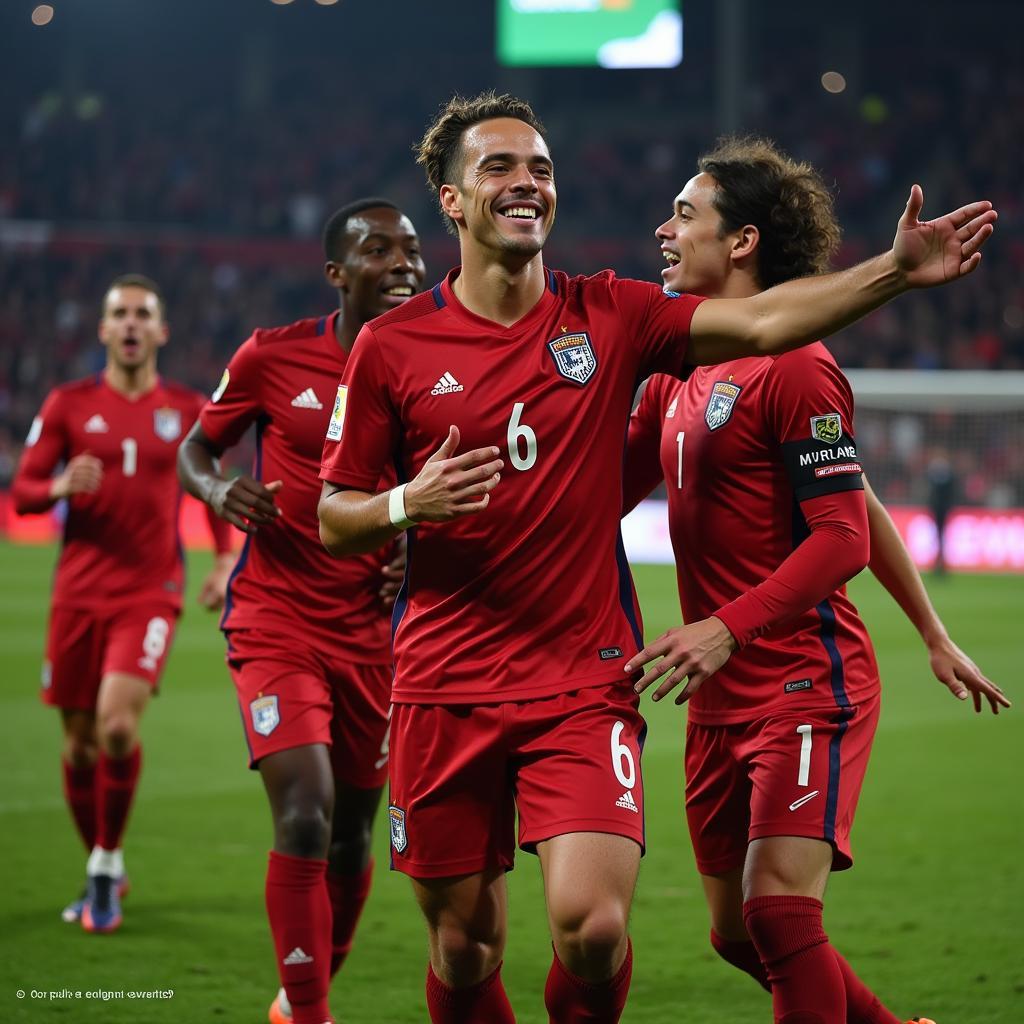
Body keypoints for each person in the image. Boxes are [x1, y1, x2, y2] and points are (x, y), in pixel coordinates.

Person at [316, 92, 996, 1024]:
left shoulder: (617, 318)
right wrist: (408, 505)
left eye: (541, 168)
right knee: (467, 949)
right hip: (445, 679)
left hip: (595, 682)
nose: (526, 184)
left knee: (600, 930)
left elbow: (769, 337)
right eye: (500, 169)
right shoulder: (392, 347)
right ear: (451, 199)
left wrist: (891, 271)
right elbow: (335, 512)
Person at [621, 137, 1010, 1024]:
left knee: (779, 911)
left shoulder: (797, 364)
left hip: (805, 677)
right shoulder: (676, 366)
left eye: (685, 215)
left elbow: (838, 536)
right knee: (734, 933)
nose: (664, 230)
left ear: (743, 242)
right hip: (718, 695)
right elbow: (860, 500)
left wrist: (727, 626)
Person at [177, 198, 425, 1024]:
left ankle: (301, 995)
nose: (402, 264)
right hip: (276, 620)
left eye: (412, 251)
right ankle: (312, 1016)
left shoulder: (432, 370)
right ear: (336, 273)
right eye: (379, 250)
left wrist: (407, 548)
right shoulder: (271, 358)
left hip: (375, 637)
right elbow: (196, 448)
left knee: (355, 833)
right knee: (306, 812)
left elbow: (452, 496)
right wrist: (218, 487)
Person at [11, 274, 235, 934]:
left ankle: (104, 866)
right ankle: (102, 857)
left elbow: (208, 483)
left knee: (114, 727)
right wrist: (57, 484)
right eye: (120, 315)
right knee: (79, 747)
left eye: (144, 314)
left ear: (161, 331)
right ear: (104, 330)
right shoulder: (67, 404)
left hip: (150, 590)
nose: (132, 325)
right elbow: (22, 491)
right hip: (77, 593)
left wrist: (223, 558)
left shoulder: (187, 406)